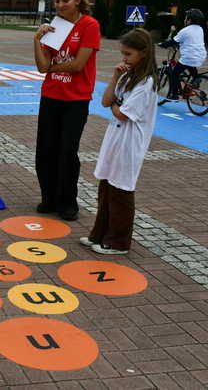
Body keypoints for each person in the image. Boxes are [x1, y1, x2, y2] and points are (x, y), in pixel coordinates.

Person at [80, 28, 158, 255]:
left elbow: (122, 113)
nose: (124, 59)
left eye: (128, 54)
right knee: (106, 187)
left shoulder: (147, 83)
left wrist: (115, 105)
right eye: (123, 54)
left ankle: (119, 242)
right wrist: (115, 77)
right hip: (115, 138)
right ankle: (99, 233)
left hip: (130, 141)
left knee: (121, 191)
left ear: (143, 53)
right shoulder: (126, 75)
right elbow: (105, 102)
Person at [33, 0, 100, 221]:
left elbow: (79, 65)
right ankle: (49, 198)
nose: (60, 5)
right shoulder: (56, 26)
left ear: (78, 0)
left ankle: (68, 201)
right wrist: (36, 41)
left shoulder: (89, 25)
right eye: (57, 1)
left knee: (67, 151)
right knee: (46, 150)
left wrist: (55, 66)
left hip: (76, 99)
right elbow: (42, 67)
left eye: (65, 0)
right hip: (51, 96)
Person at [158, 8, 207, 100]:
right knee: (190, 65)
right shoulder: (200, 29)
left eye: (186, 18)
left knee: (174, 73)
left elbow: (173, 41)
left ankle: (174, 94)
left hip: (189, 57)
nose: (185, 20)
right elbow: (191, 41)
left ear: (190, 20)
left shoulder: (185, 30)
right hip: (201, 56)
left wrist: (162, 45)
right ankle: (196, 78)